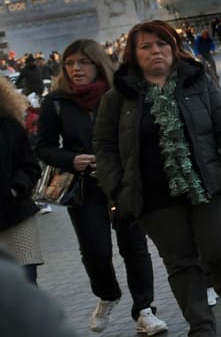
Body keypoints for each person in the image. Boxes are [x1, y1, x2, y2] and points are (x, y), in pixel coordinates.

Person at [93, 20, 221, 337]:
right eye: (146, 46)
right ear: (133, 54)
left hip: (208, 184)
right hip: (153, 196)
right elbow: (103, 146)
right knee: (181, 262)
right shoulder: (118, 98)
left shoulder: (198, 80)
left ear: (173, 47)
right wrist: (116, 186)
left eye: (162, 44)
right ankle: (201, 326)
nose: (156, 51)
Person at [35, 39, 168, 335]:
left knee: (134, 247)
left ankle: (144, 310)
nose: (75, 69)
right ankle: (107, 294)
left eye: (83, 62)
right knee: (95, 252)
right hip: (84, 188)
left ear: (97, 64)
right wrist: (72, 159)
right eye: (69, 63)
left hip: (123, 182)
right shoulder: (55, 103)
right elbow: (43, 147)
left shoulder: (121, 95)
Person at [0, 76, 42, 284]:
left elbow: (30, 165)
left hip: (15, 216)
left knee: (27, 286)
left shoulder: (8, 126)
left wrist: (17, 188)